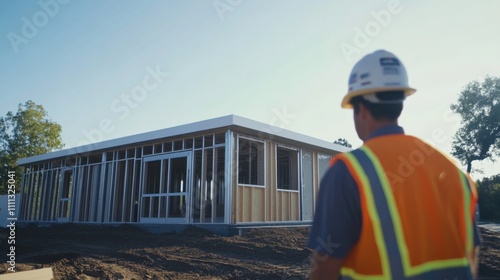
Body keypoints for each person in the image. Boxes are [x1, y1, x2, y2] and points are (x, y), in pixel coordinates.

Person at [307, 50, 480, 279]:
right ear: (400, 103)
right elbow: (472, 256)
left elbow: (324, 270)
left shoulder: (347, 172)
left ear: (361, 109)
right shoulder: (455, 173)